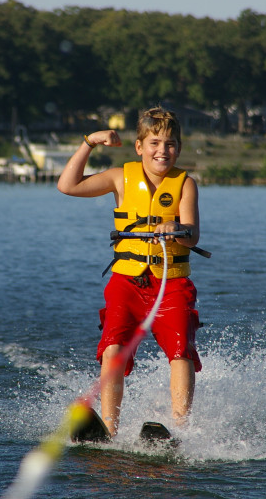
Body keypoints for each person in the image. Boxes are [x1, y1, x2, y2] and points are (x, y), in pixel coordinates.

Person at [57, 107, 202, 437]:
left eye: (170, 144)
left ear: (178, 148)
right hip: (126, 282)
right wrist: (89, 142)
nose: (162, 151)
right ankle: (109, 428)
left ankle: (180, 428)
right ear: (139, 146)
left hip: (170, 282)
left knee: (180, 352)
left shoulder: (185, 184)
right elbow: (67, 186)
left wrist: (176, 227)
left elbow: (193, 235)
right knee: (113, 351)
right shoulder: (120, 177)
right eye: (154, 143)